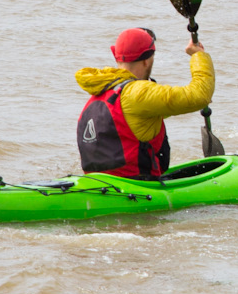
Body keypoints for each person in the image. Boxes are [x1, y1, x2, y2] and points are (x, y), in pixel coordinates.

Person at [75, 26, 214, 180]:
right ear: (147, 61)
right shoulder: (140, 93)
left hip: (98, 182)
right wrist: (198, 56)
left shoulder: (100, 92)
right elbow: (200, 95)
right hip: (137, 185)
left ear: (117, 57)